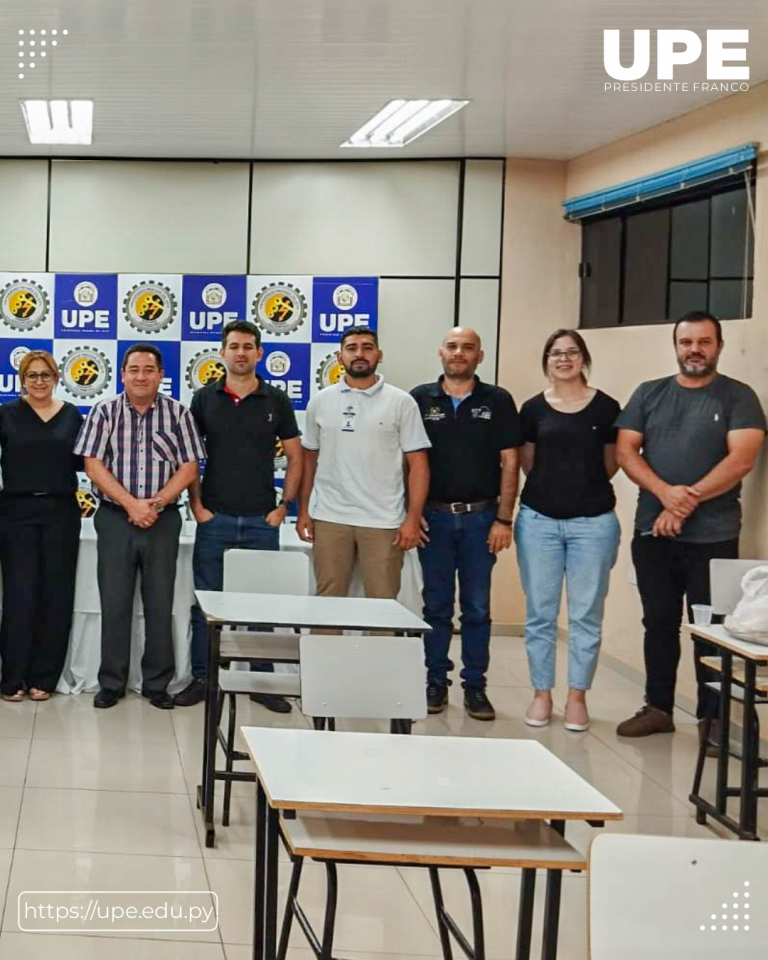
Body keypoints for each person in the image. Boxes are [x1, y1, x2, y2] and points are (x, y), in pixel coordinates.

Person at [615, 311, 766, 743]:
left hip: (713, 538)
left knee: (712, 628)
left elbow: (741, 460)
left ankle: (714, 719)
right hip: (653, 533)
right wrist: (666, 494)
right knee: (658, 624)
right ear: (676, 346)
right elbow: (627, 452)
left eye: (704, 342)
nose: (694, 350)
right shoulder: (650, 394)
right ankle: (658, 707)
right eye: (686, 342)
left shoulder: (738, 397)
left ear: (718, 346)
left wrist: (684, 503)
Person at [175, 320, 302, 713]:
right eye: (234, 346)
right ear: (222, 352)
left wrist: (285, 507)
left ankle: (262, 679)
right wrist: (197, 506)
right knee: (207, 604)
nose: (241, 352)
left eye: (249, 346)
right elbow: (191, 458)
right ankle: (203, 677)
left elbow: (296, 457)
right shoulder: (204, 399)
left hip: (263, 520)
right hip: (215, 519)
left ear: (259, 353)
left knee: (261, 606)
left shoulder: (276, 400)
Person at [75, 344, 205, 710]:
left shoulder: (178, 414)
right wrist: (132, 504)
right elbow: (93, 465)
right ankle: (111, 683)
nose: (141, 376)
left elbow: (189, 468)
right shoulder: (105, 412)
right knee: (114, 603)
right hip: (115, 518)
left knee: (160, 603)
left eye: (149, 369)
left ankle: (157, 684)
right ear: (122, 374)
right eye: (134, 369)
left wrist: (157, 503)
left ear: (161, 375)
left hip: (163, 521)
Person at [411, 327, 522, 721]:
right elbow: (409, 461)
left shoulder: (498, 400)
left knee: (476, 607)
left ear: (480, 356)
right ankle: (435, 682)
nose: (460, 353)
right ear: (441, 352)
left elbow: (511, 461)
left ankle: (475, 686)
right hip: (434, 520)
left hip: (481, 520)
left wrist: (504, 519)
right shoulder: (420, 398)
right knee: (436, 607)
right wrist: (413, 514)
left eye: (468, 348)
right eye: (453, 347)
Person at [515, 330, 621, 732]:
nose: (564, 359)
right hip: (539, 521)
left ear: (584, 358)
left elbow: (611, 464)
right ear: (547, 361)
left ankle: (577, 697)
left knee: (585, 615)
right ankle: (542, 694)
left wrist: (580, 490)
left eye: (571, 352)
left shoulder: (607, 408)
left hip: (593, 523)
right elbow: (529, 463)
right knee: (540, 614)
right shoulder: (532, 409)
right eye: (556, 353)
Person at [297, 327, 430, 604]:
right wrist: (304, 511)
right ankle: (325, 650)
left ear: (379, 355)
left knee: (383, 606)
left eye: (368, 347)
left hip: (384, 520)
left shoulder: (402, 402)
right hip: (331, 517)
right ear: (339, 356)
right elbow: (308, 460)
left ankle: (381, 650)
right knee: (327, 603)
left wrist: (412, 518)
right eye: (352, 347)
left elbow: (418, 465)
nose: (359, 354)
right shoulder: (320, 401)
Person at [0, 350, 83, 702]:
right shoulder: (6, 415)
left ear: (56, 378)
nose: (39, 381)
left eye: (45, 375)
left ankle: (44, 677)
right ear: (22, 380)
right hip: (16, 510)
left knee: (56, 594)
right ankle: (12, 677)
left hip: (61, 510)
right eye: (31, 375)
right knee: (19, 595)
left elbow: (87, 463)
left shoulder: (71, 415)